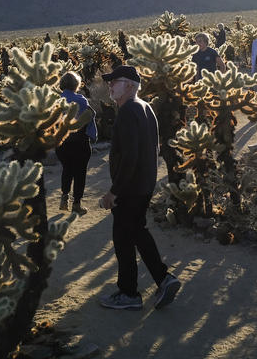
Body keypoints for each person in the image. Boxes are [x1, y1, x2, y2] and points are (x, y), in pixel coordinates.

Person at [99, 65, 181, 311]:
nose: (110, 85)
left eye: (115, 81)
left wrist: (114, 192)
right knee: (137, 232)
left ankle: (129, 293)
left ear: (130, 85)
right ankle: (164, 279)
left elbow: (131, 156)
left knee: (123, 239)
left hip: (130, 189)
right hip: (144, 185)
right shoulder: (146, 108)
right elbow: (151, 150)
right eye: (109, 82)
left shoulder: (127, 111)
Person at [55, 71, 97, 215]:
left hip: (62, 142)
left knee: (67, 169)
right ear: (76, 84)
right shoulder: (82, 100)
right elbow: (88, 118)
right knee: (80, 173)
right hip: (80, 142)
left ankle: (63, 199)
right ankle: (76, 204)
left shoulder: (57, 101)